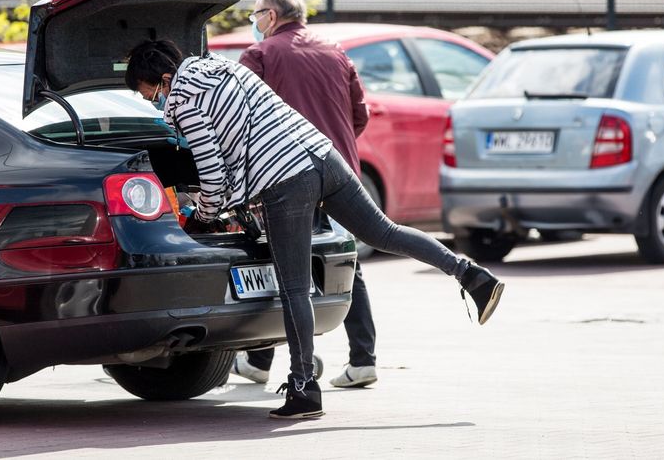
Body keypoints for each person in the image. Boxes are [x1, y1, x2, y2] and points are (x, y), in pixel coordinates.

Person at [125, 38, 504, 420]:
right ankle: (471, 275)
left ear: (165, 79)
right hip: (322, 155)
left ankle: (304, 389)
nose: (153, 101)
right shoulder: (225, 67)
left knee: (294, 289)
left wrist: (203, 215)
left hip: (284, 179)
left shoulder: (184, 99)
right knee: (384, 231)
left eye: (149, 94)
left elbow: (212, 174)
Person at [231, 0, 378, 390]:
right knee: (344, 262)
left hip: (284, 176)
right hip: (338, 170)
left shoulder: (260, 55)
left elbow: (243, 122)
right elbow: (360, 115)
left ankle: (261, 359)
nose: (254, 23)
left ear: (271, 16)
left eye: (256, 15)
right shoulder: (335, 51)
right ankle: (363, 359)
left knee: (281, 263)